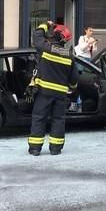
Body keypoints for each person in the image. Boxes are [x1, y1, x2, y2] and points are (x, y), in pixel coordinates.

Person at [28, 22, 79, 156]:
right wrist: (72, 89)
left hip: (44, 91)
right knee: (58, 119)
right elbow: (74, 79)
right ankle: (55, 149)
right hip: (61, 94)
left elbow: (37, 34)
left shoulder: (46, 47)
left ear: (53, 34)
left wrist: (46, 24)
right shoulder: (69, 54)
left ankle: (35, 148)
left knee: (39, 118)